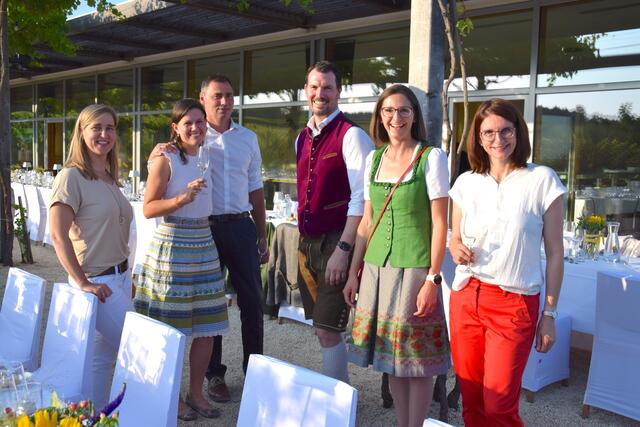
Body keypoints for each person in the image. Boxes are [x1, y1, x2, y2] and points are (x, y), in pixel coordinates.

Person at [149, 75, 268, 402]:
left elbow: (256, 187)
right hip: (206, 230)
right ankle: (215, 376)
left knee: (252, 304)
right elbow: (166, 162)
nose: (224, 101)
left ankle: (255, 372)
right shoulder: (194, 138)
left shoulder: (248, 138)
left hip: (241, 227)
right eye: (217, 95)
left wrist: (262, 235)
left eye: (229, 95)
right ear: (203, 98)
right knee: (210, 307)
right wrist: (160, 148)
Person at [447, 98, 565, 426]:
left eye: (505, 130)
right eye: (489, 133)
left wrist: (550, 314)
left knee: (499, 406)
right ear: (478, 138)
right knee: (471, 400)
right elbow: (454, 237)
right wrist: (455, 246)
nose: (498, 140)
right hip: (467, 297)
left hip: (514, 304)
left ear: (518, 132)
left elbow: (556, 253)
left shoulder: (542, 179)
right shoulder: (466, 183)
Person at [343, 84, 451, 427]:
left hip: (414, 270)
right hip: (376, 269)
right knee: (391, 359)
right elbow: (367, 222)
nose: (396, 117)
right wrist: (353, 272)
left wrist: (433, 277)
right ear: (380, 116)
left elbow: (439, 224)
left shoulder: (431, 158)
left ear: (415, 116)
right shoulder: (374, 159)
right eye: (388, 110)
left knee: (415, 360)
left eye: (404, 110)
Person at [134, 99, 228, 421]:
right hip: (173, 245)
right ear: (175, 127)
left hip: (204, 243)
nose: (195, 127)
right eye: (187, 122)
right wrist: (180, 199)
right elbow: (148, 208)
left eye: (200, 122)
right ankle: (171, 397)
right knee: (170, 330)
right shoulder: (165, 158)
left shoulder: (207, 154)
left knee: (206, 328)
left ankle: (196, 394)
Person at [49, 104, 134, 409]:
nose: (104, 134)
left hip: (120, 279)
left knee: (102, 357)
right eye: (96, 127)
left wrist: (128, 275)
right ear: (81, 132)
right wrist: (82, 282)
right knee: (137, 348)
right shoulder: (72, 176)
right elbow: (58, 235)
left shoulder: (110, 175)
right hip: (98, 283)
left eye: (110, 128)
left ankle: (94, 416)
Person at [295, 61, 374, 383]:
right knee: (322, 329)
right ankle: (337, 394)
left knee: (329, 330)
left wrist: (344, 248)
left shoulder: (352, 135)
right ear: (306, 91)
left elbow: (362, 198)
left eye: (327, 87)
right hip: (307, 244)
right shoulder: (302, 137)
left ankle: (336, 405)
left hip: (335, 242)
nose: (320, 93)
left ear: (338, 92)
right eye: (314, 87)